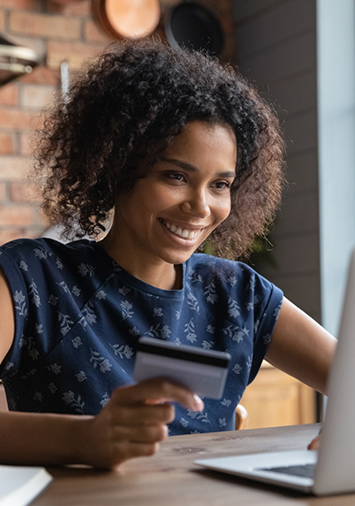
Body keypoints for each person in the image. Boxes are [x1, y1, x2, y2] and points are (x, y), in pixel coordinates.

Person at [0, 39, 336, 469]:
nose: (200, 207)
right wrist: (85, 439)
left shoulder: (238, 294)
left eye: (220, 185)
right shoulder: (32, 278)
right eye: (175, 176)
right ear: (117, 168)